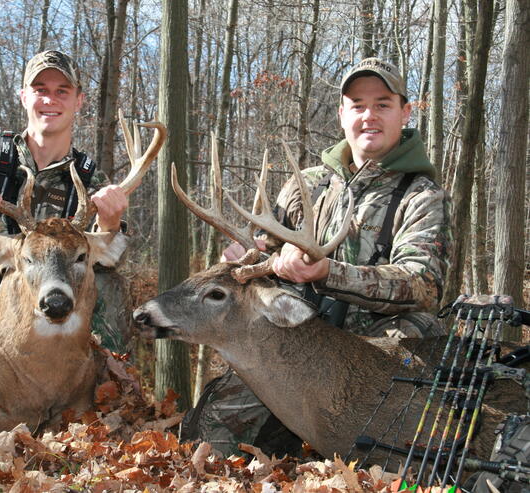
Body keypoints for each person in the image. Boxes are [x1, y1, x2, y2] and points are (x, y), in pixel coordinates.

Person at [182, 57, 453, 457]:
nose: (369, 116)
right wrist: (246, 257)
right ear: (342, 113)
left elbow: (422, 285)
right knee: (209, 435)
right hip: (300, 342)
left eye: (382, 104)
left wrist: (329, 272)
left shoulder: (422, 196)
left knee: (417, 340)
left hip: (375, 351)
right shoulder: (307, 184)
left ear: (405, 112)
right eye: (357, 105)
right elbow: (263, 250)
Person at [0, 50, 131, 354]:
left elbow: (111, 256)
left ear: (78, 100)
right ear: (24, 96)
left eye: (61, 91)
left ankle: (104, 379)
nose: (50, 100)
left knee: (110, 283)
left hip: (51, 303)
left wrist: (111, 222)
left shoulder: (89, 179)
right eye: (40, 90)